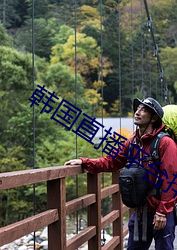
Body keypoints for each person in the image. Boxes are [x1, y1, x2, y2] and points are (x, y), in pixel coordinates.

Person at [64, 97, 177, 250]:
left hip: (160, 211)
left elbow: (171, 178)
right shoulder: (132, 143)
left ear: (154, 118)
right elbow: (111, 162)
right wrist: (84, 162)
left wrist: (163, 212)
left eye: (143, 110)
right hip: (140, 211)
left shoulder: (165, 143)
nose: (137, 112)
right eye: (137, 109)